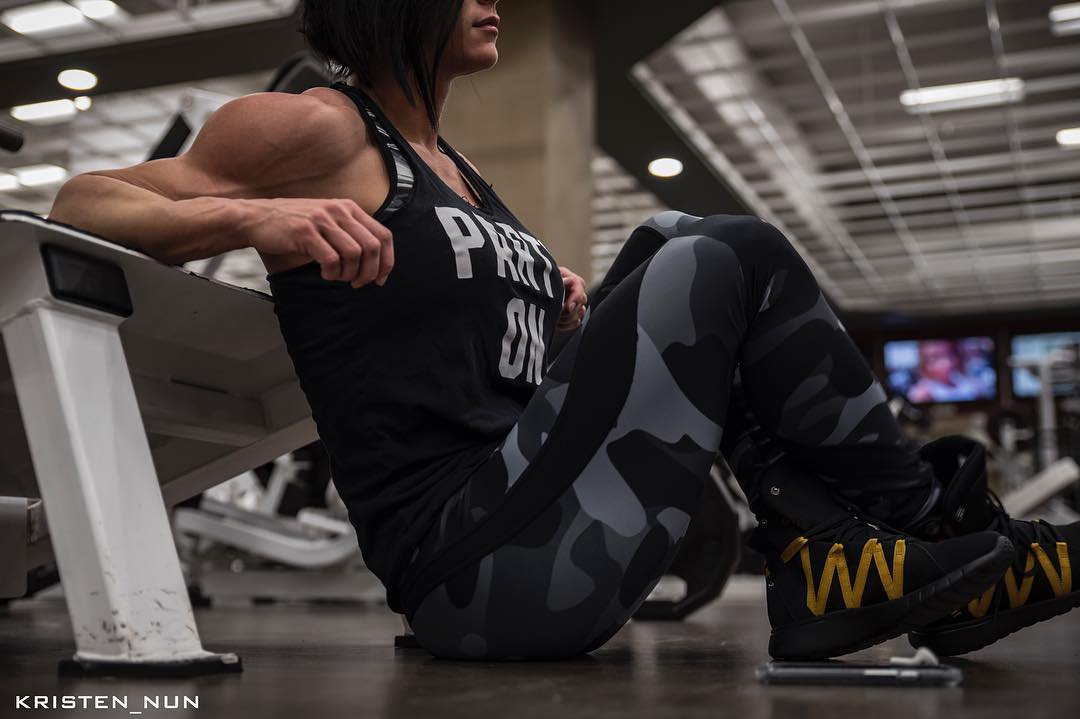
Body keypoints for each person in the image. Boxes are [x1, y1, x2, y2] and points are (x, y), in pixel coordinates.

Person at [49, 0, 1077, 661]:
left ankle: (838, 557)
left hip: (540, 529)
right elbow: (80, 200)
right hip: (474, 570)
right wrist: (254, 219)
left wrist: (553, 311)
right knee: (722, 249)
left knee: (668, 240)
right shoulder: (318, 123)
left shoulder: (461, 170)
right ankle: (934, 530)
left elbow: (458, 354)